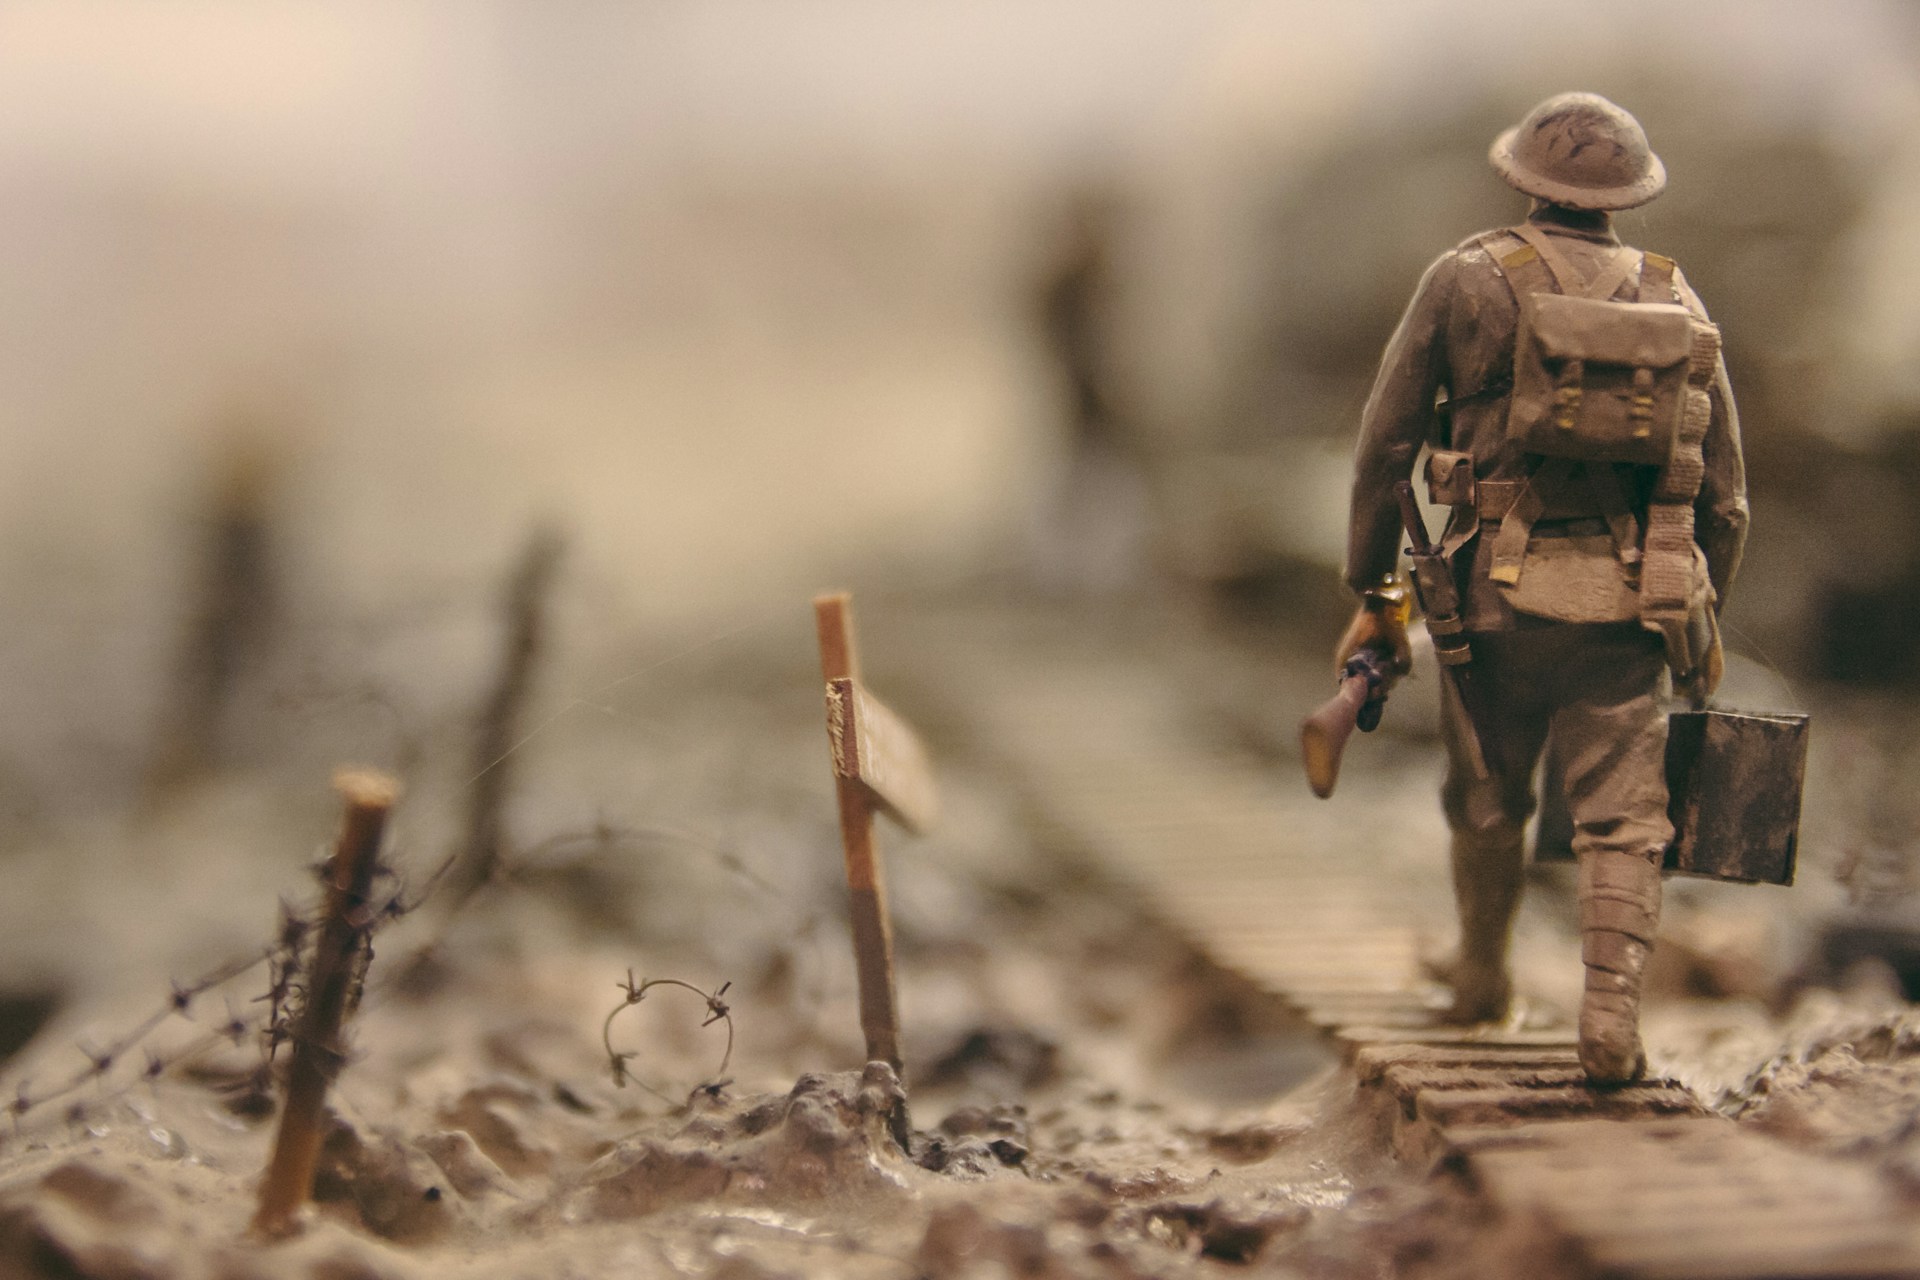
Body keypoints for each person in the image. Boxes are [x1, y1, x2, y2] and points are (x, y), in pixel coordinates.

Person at [1337, 92, 1749, 1083]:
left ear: (1521, 175)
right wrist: (1699, 608)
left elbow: (1384, 445)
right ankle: (1609, 1017)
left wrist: (1374, 583)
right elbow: (1726, 499)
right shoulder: (1677, 300)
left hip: (1493, 595)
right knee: (1627, 815)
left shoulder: (1465, 278)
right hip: (1632, 600)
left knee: (1486, 790)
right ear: (1627, 194)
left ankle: (1483, 976)